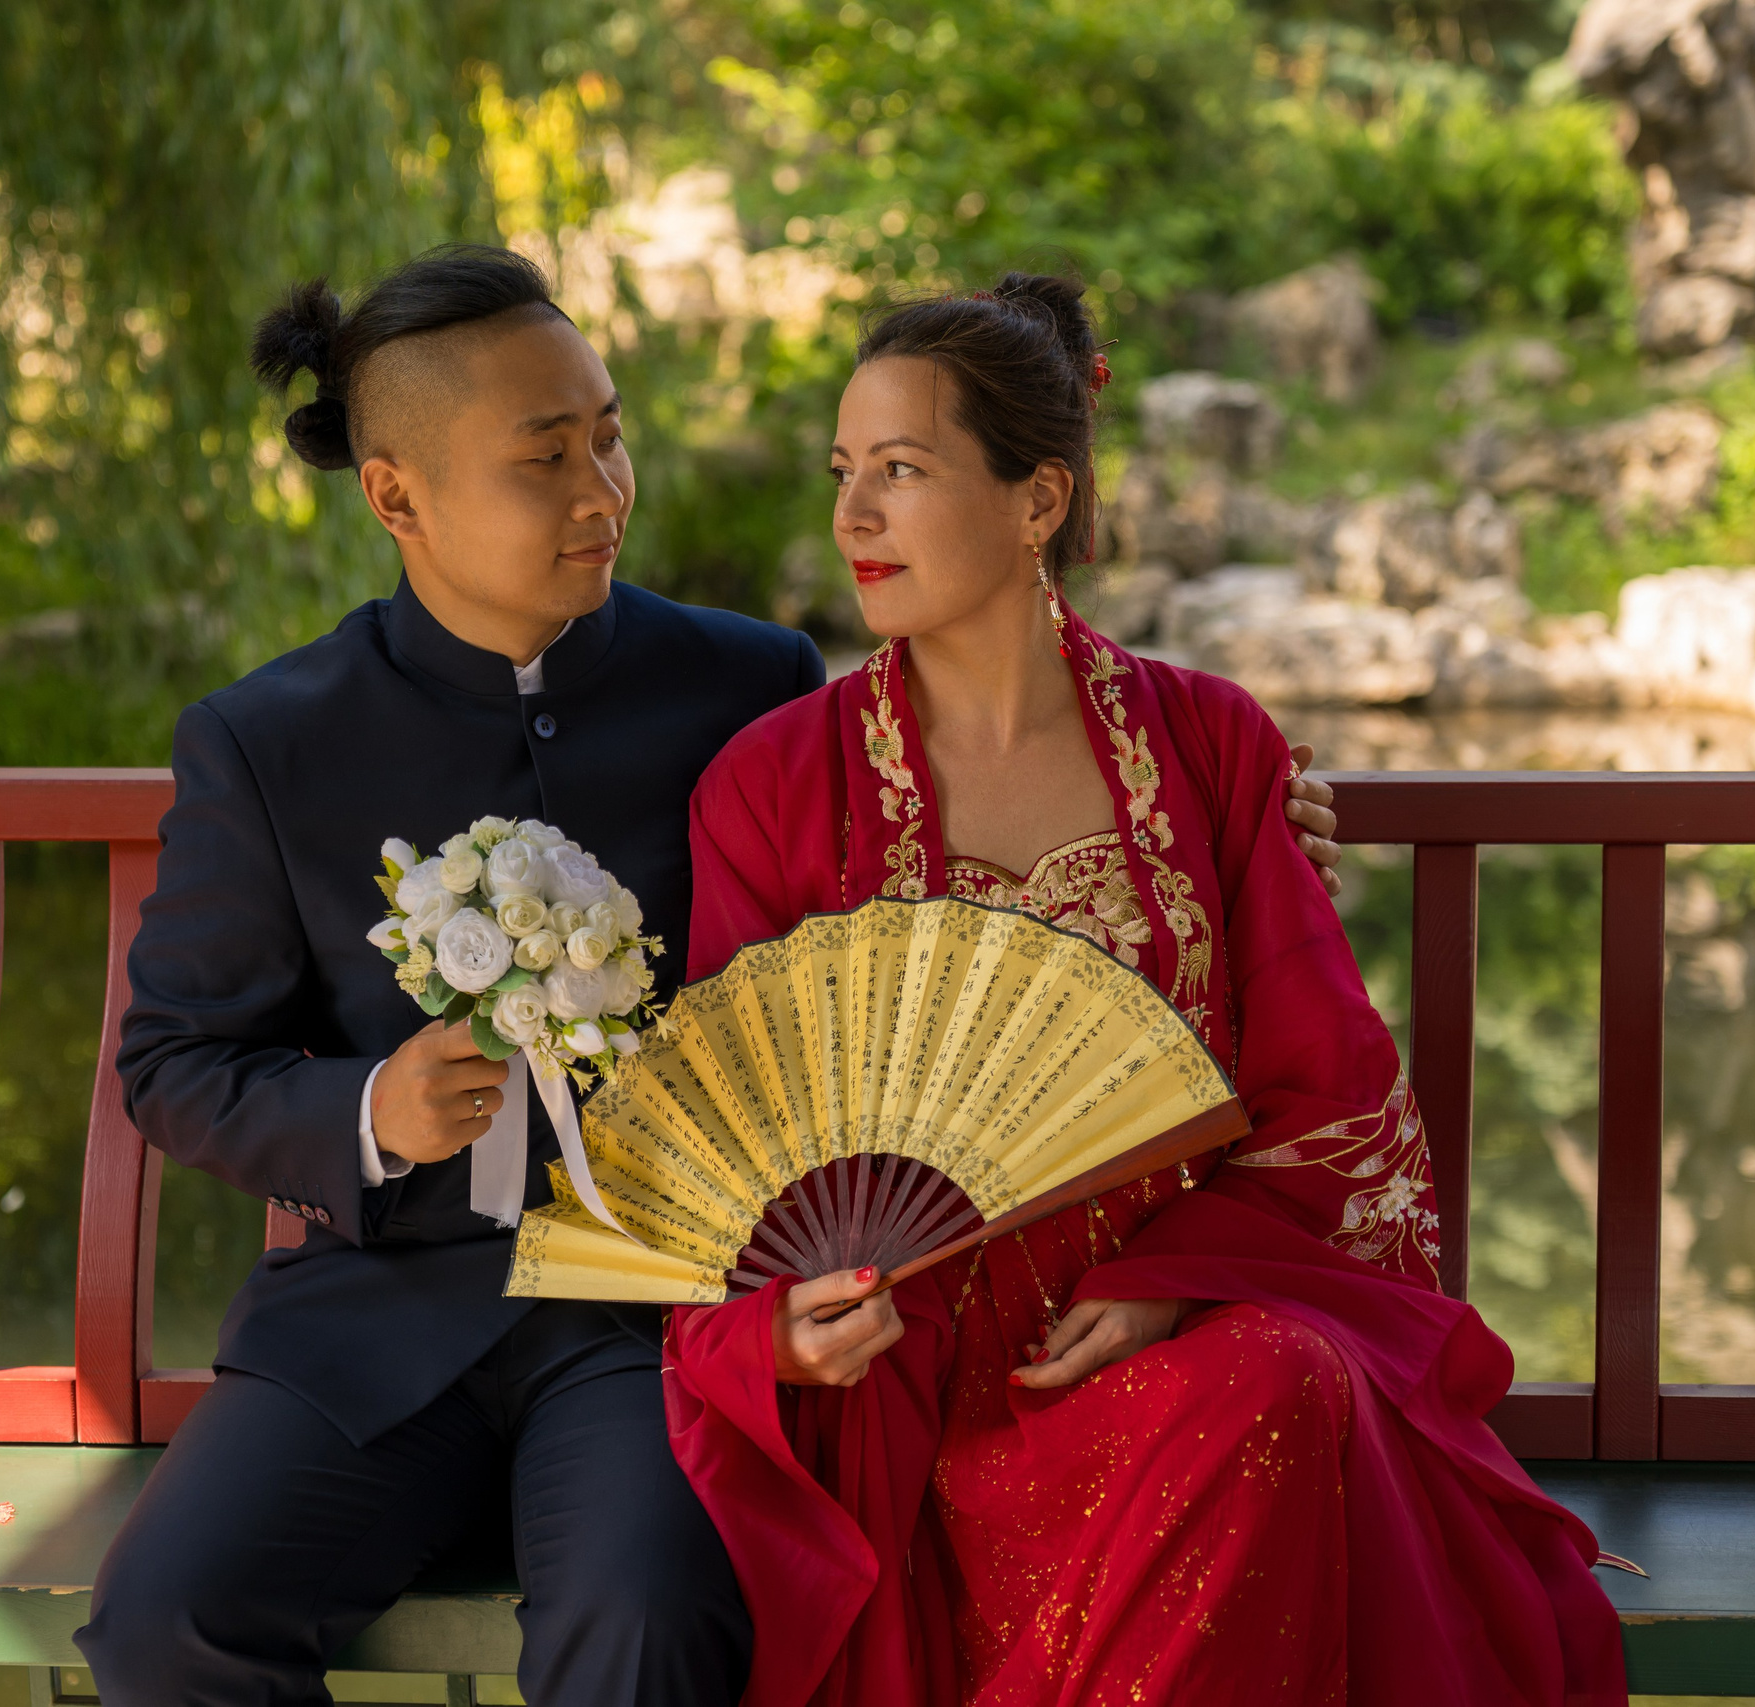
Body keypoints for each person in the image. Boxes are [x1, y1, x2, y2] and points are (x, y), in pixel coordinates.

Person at [72, 242, 1354, 1705]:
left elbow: (921, 876)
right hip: (377, 1319)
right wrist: (369, 1111)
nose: (602, 492)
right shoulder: (271, 738)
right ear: (397, 497)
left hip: (657, 1326)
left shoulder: (743, 687)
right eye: (545, 459)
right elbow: (175, 1063)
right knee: (163, 1621)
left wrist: (1238, 812)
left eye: (609, 438)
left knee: (648, 1622)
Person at [665, 274, 1630, 1706]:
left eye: (903, 470)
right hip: (918, 1388)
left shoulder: (1211, 746)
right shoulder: (775, 785)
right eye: (842, 472)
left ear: (1039, 499)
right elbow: (718, 1163)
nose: (853, 516)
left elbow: (1329, 1105)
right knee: (1258, 1421)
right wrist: (781, 1333)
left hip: (1184, 1333)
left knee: (1276, 1386)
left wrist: (1167, 1286)